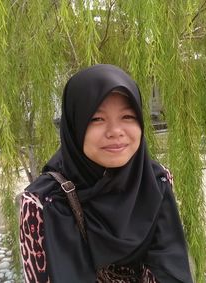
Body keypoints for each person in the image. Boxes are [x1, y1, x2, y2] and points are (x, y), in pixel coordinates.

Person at [19, 64, 193, 282]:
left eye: (127, 117)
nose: (115, 132)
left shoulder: (154, 180)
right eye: (97, 119)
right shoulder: (43, 202)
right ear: (75, 125)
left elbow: (169, 268)